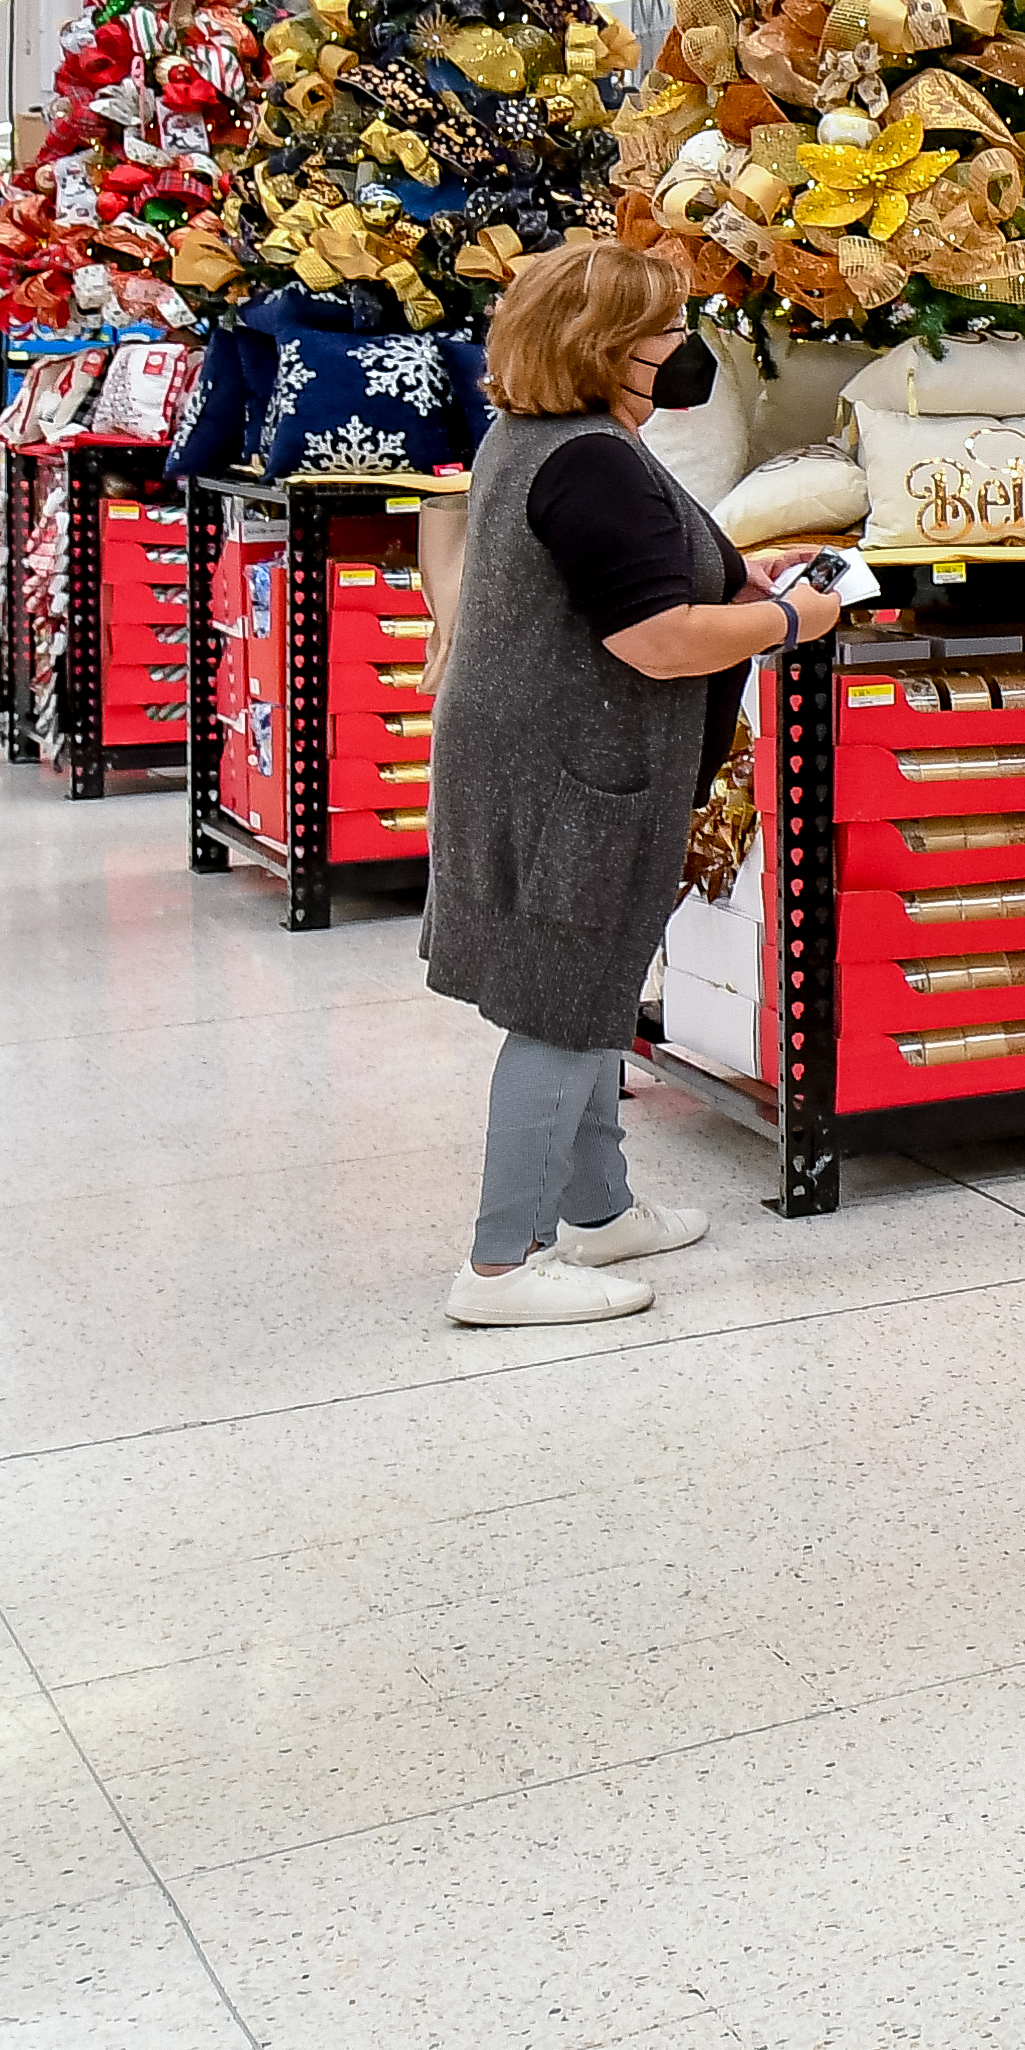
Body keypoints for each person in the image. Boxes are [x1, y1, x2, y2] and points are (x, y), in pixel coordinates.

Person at [425, 241, 843, 1326]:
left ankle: (598, 1209)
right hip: (578, 771)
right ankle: (500, 1267)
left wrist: (729, 572)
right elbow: (657, 642)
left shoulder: (538, 437)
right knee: (562, 1006)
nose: (682, 349)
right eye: (664, 330)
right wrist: (793, 619)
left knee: (595, 983)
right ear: (605, 347)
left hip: (540, 757)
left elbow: (622, 565)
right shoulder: (590, 458)